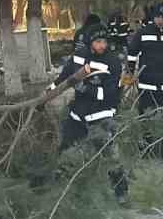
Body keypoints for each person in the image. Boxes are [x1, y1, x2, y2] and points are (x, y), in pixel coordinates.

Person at [50, 27, 126, 198]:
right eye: (98, 42)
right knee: (66, 149)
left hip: (101, 115)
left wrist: (86, 89)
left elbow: (110, 93)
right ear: (90, 43)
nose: (102, 45)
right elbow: (64, 77)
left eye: (104, 42)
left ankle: (120, 192)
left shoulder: (112, 62)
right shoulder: (79, 55)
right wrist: (48, 93)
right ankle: (58, 187)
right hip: (77, 114)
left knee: (110, 155)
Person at [125, 3, 163, 157]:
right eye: (158, 17)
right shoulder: (143, 32)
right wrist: (130, 72)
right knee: (146, 118)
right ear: (153, 18)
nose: (161, 20)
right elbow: (132, 53)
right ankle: (147, 151)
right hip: (147, 85)